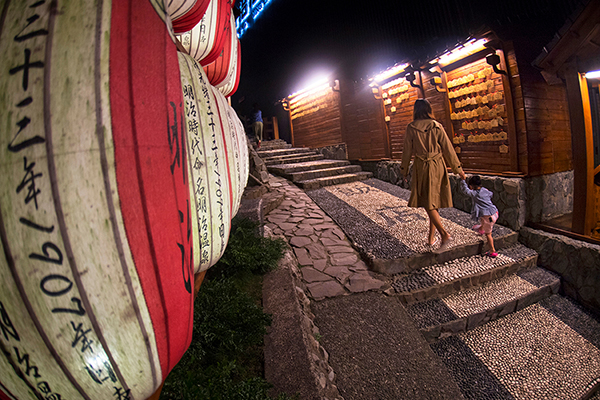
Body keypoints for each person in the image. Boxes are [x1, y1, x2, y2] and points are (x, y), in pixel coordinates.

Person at [400, 99, 466, 250]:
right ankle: (431, 239)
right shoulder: (437, 126)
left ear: (415, 110)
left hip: (421, 166)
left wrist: (404, 170)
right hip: (437, 165)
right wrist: (458, 169)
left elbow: (407, 151)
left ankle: (444, 234)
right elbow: (448, 149)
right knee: (433, 201)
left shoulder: (411, 127)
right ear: (429, 109)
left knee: (427, 201)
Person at [460, 175, 500, 257]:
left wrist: (463, 181)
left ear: (471, 186)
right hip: (494, 212)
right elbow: (491, 194)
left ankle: (492, 251)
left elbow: (466, 191)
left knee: (488, 234)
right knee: (482, 217)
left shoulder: (475, 194)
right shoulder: (485, 190)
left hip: (489, 217)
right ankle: (481, 229)